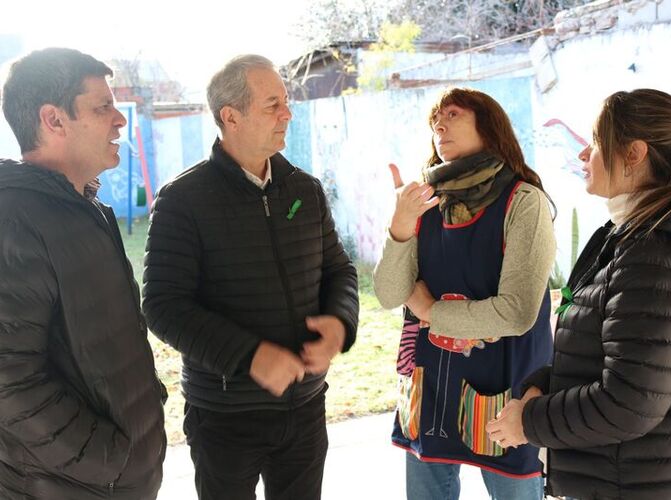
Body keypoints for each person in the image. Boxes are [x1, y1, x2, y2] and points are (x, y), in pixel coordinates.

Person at [487, 88, 671, 500]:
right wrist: (544, 384)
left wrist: (529, 421)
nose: (585, 155)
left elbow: (630, 401)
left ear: (634, 153)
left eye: (596, 142)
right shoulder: (624, 239)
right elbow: (612, 356)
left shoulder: (654, 257)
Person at [142, 54, 359, 500]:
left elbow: (339, 270)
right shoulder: (182, 200)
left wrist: (340, 321)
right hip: (224, 416)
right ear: (231, 117)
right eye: (272, 104)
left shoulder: (305, 189)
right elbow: (163, 306)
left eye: (285, 102)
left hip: (305, 408)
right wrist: (251, 356)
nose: (287, 114)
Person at [373, 87, 556, 500]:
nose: (439, 125)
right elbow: (388, 294)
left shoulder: (524, 201)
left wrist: (429, 310)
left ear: (489, 126)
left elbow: (517, 312)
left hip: (507, 387)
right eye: (435, 119)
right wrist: (400, 226)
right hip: (430, 385)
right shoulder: (424, 203)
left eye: (452, 114)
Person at [0, 48, 167, 499]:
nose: (119, 120)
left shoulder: (85, 207)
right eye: (102, 107)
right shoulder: (13, 218)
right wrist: (112, 459)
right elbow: (8, 381)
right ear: (53, 120)